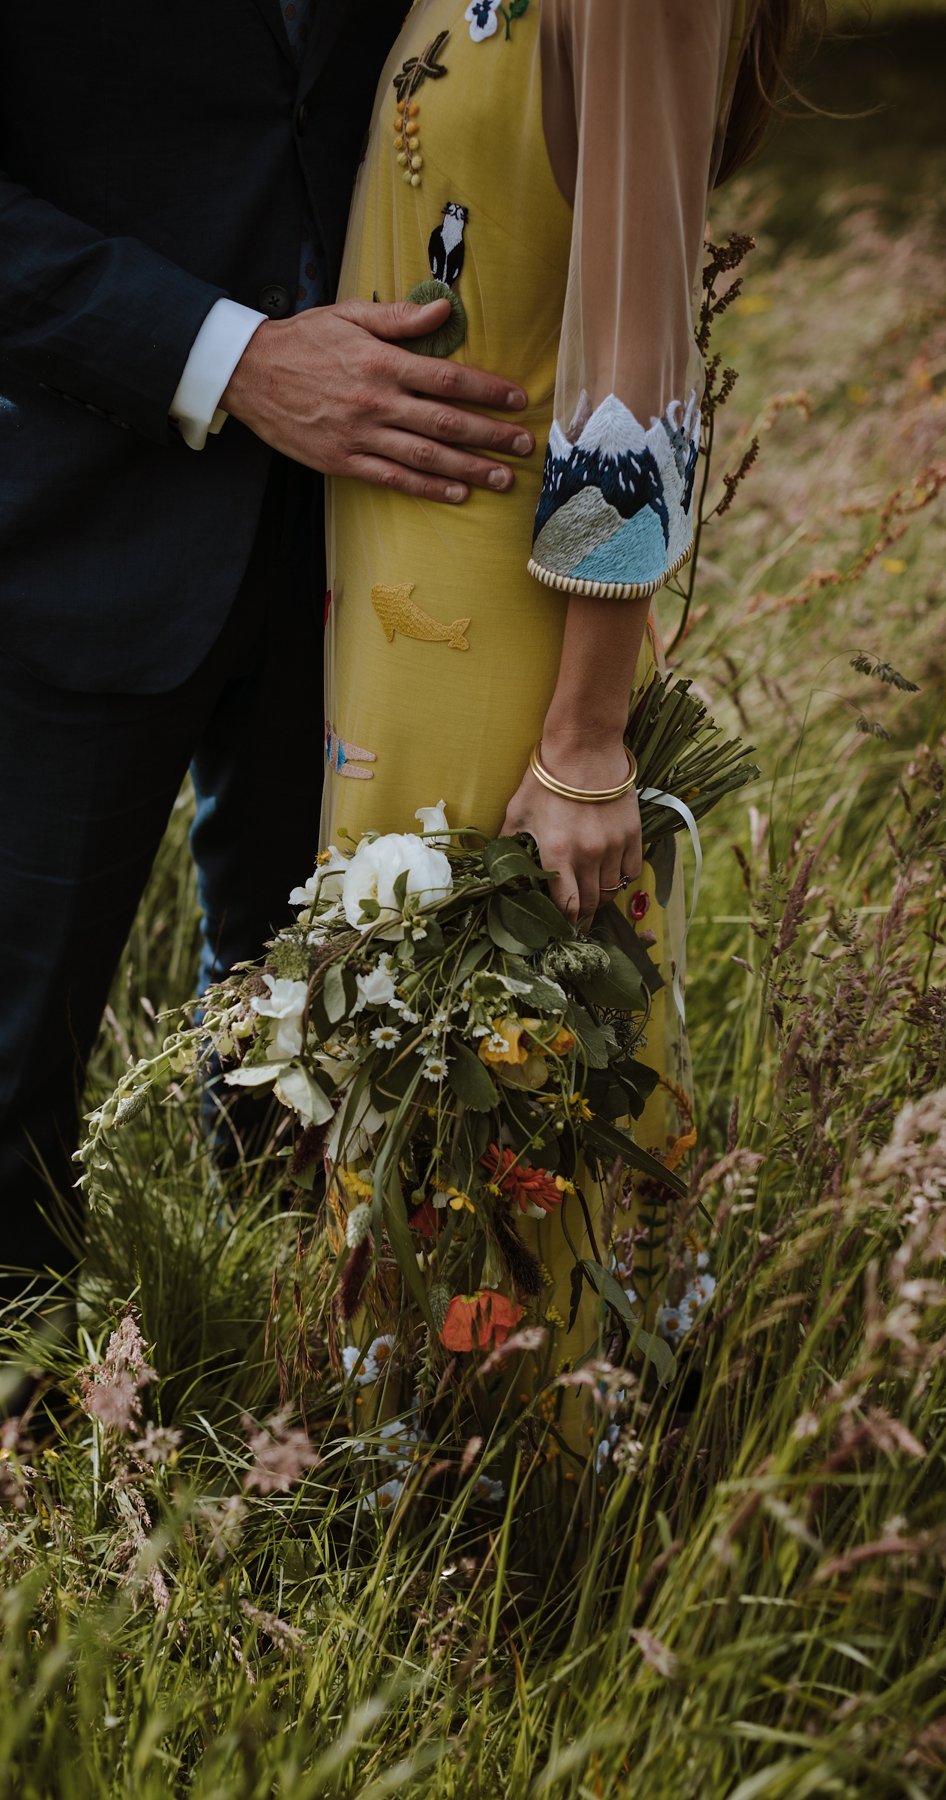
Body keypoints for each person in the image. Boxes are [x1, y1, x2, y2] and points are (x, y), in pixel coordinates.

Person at [0, 0, 540, 1399]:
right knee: (21, 1033)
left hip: (365, 533)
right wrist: (238, 361)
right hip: (66, 514)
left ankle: (278, 1391)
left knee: (302, 999)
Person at [323, 0, 807, 1424]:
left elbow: (634, 367)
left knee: (520, 1076)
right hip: (392, 612)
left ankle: (556, 1494)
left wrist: (587, 735)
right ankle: (413, 1472)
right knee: (419, 1081)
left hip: (507, 639)